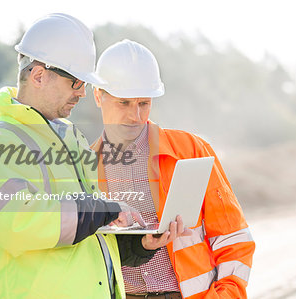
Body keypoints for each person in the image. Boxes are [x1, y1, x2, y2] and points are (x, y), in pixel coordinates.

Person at [0, 14, 181, 299]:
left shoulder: (71, 138)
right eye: (76, 82)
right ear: (39, 75)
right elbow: (18, 224)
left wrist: (136, 246)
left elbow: (81, 236)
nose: (82, 93)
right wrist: (101, 208)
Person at [91, 39, 256, 299]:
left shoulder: (190, 150)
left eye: (143, 103)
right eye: (124, 103)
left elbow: (232, 237)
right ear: (98, 95)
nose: (135, 116)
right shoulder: (84, 167)